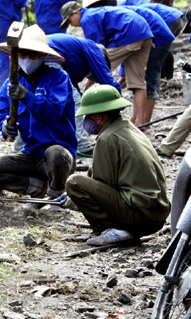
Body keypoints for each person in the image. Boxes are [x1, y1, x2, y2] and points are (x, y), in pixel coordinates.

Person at [0, 25, 77, 205]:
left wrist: (27, 97)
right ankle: (37, 188)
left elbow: (53, 112)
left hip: (58, 159)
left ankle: (55, 193)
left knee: (56, 153)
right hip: (30, 156)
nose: (27, 59)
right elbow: (2, 114)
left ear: (43, 56)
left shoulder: (59, 78)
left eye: (33, 54)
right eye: (22, 54)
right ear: (15, 55)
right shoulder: (11, 84)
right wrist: (5, 126)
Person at [64, 85, 170, 246]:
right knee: (87, 176)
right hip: (156, 217)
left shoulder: (107, 137)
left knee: (74, 182)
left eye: (89, 116)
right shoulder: (128, 128)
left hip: (140, 217)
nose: (86, 121)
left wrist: (80, 197)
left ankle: (111, 229)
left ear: (101, 115)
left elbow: (104, 183)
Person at [60, 0, 154, 126]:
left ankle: (103, 115)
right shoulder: (95, 13)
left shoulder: (87, 18)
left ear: (76, 13)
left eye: (70, 21)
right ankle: (140, 123)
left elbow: (96, 51)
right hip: (144, 33)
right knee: (138, 82)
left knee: (98, 68)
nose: (72, 25)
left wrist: (90, 79)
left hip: (130, 34)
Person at [45, 34, 121, 158]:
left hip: (36, 54)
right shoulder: (95, 50)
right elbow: (107, 81)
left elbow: (70, 86)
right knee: (76, 103)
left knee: (51, 102)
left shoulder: (75, 52)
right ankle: (83, 145)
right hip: (49, 56)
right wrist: (119, 103)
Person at [119, 3, 176, 124]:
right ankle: (136, 119)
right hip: (157, 29)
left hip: (159, 34)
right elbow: (128, 52)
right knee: (139, 78)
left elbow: (126, 48)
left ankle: (145, 123)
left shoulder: (118, 18)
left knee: (149, 77)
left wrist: (123, 74)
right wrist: (124, 74)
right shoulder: (117, 15)